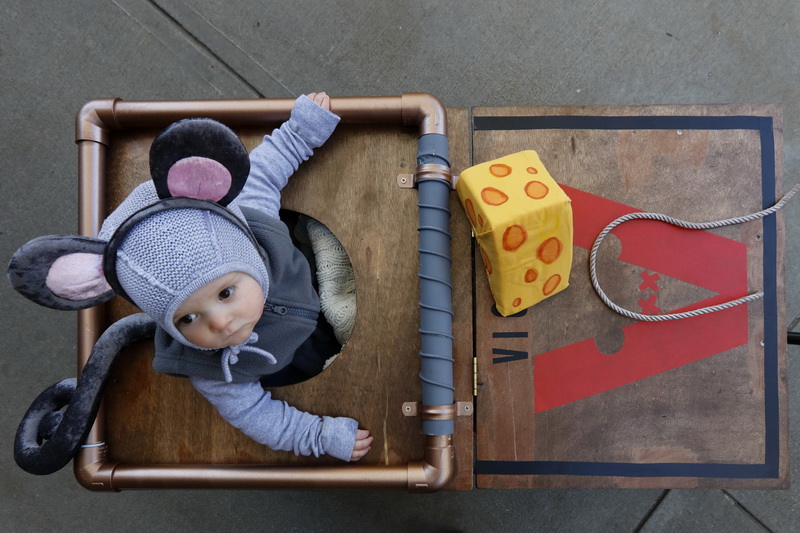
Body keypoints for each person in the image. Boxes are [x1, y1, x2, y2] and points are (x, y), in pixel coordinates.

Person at [96, 92, 371, 462]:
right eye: (188, 318)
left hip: (311, 283)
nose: (220, 322)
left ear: (245, 255)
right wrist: (318, 435)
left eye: (225, 292)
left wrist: (303, 131)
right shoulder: (210, 370)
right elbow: (256, 416)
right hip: (291, 358)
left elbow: (267, 166)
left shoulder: (250, 214)